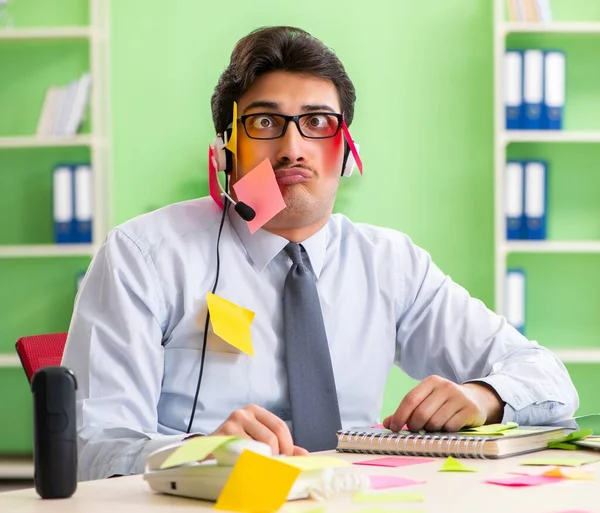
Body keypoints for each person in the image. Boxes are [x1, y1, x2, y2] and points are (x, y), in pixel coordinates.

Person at [62, 25, 578, 481]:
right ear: (225, 150)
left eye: (318, 122)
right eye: (264, 123)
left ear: (346, 149)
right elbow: (90, 447)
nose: (292, 147)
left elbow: (547, 377)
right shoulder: (145, 255)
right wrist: (200, 454)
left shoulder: (389, 262)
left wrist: (486, 395)